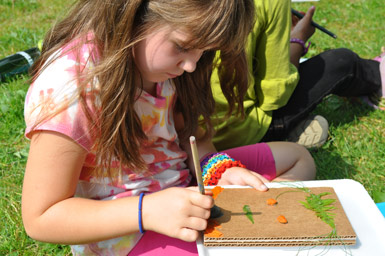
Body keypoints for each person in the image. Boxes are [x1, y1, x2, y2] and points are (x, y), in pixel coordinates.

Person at [21, 0, 316, 255]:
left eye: (202, 51)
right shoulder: (71, 89)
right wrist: (146, 212)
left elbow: (191, 138)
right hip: (128, 233)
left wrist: (217, 169)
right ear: (135, 14)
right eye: (183, 47)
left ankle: (258, 224)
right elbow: (41, 216)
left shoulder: (164, 62)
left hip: (185, 191)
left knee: (298, 157)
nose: (191, 65)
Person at [210, 0, 384, 151]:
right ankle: (377, 73)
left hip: (192, 136)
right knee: (341, 61)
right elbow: (276, 96)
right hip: (241, 132)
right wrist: (298, 39)